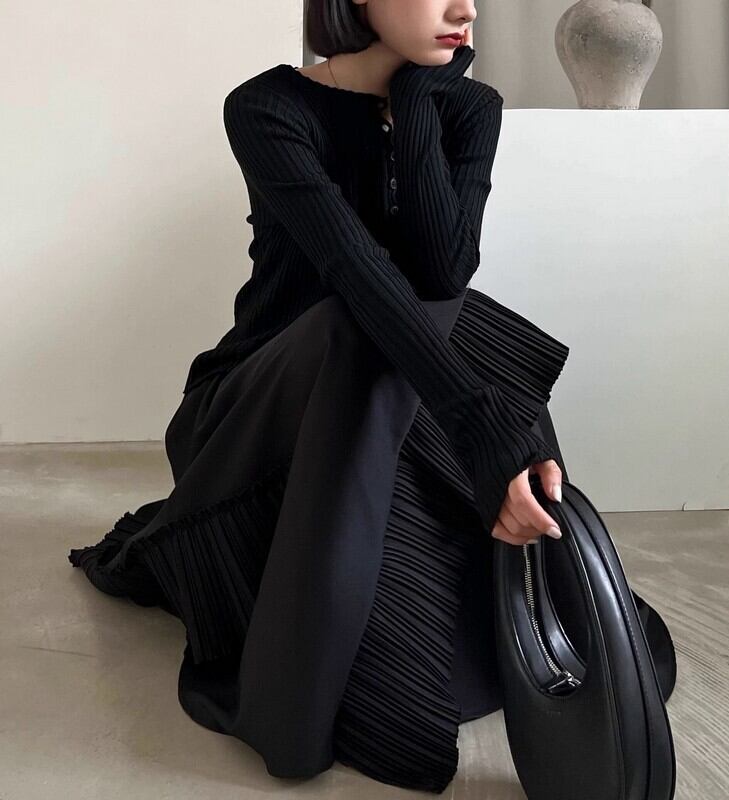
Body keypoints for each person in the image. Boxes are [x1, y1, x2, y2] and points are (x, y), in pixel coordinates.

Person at [67, 0, 575, 793]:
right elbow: (357, 274)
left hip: (390, 393)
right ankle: (310, 691)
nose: (465, 8)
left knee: (455, 314)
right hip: (257, 410)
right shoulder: (267, 108)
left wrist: (414, 104)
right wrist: (480, 423)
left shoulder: (472, 107)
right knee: (356, 323)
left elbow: (444, 272)